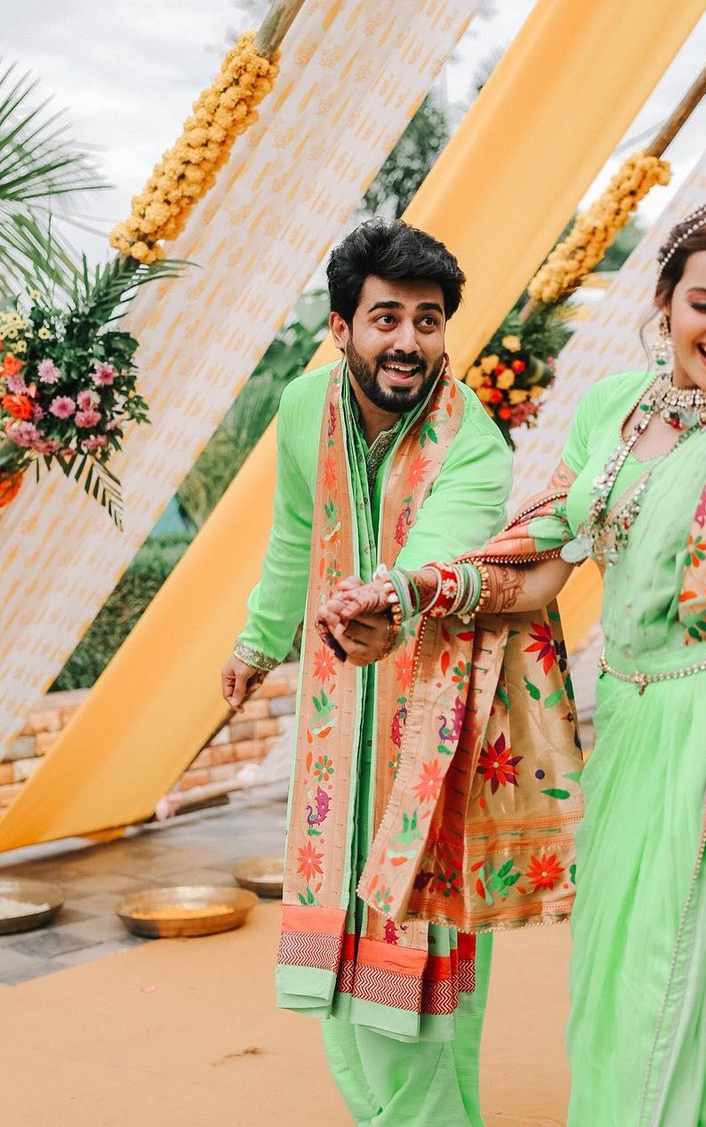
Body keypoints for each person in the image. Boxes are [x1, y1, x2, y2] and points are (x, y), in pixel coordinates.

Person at [318, 104, 706, 1126]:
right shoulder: (615, 409)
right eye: (705, 302)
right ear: (666, 301)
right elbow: (537, 566)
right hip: (635, 720)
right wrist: (412, 591)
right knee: (621, 965)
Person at [220, 219, 517, 1126]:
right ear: (342, 328)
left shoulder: (476, 444)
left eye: (428, 321)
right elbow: (294, 537)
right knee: (332, 935)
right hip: (333, 707)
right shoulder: (304, 407)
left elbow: (432, 555)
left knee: (422, 942)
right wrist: (257, 641)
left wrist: (385, 598)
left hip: (430, 712)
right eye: (386, 318)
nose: (409, 342)